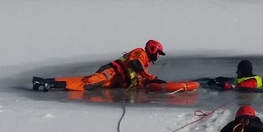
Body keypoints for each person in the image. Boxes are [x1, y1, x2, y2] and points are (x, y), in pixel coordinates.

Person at [32, 40, 166, 91]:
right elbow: (135, 64)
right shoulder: (140, 53)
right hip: (110, 73)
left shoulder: (145, 65)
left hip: (113, 81)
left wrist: (153, 81)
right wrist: (150, 78)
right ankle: (50, 83)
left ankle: (46, 82)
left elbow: (138, 77)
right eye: (158, 53)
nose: (158, 56)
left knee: (83, 82)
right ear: (153, 49)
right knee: (87, 83)